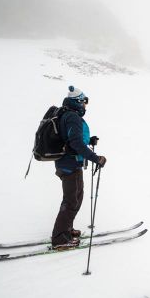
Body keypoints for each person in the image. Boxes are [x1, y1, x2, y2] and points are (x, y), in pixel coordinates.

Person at [52, 85, 107, 249]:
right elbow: (75, 143)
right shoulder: (72, 117)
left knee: (75, 198)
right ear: (77, 102)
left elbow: (71, 139)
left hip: (69, 164)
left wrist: (89, 141)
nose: (84, 106)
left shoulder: (68, 114)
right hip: (69, 165)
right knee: (71, 201)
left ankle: (66, 229)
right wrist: (96, 158)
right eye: (83, 102)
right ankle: (60, 239)